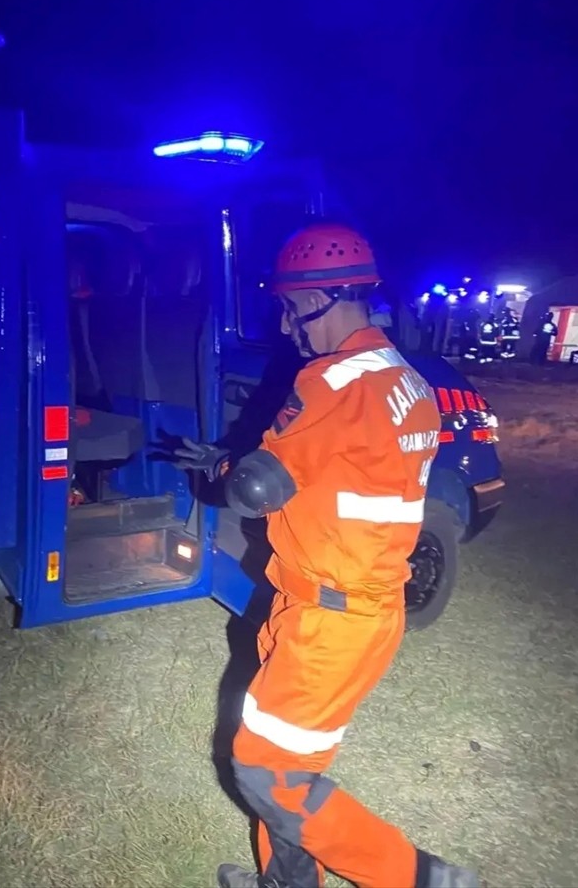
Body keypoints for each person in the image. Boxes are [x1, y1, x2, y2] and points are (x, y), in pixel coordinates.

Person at [171, 223, 479, 888]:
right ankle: (285, 880)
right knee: (287, 761)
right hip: (354, 607)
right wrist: (238, 456)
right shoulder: (408, 380)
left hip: (328, 618)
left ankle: (418, 877)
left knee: (263, 770)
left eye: (289, 307)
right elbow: (335, 468)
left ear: (329, 296)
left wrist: (227, 468)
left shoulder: (333, 378)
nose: (286, 326)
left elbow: (256, 489)